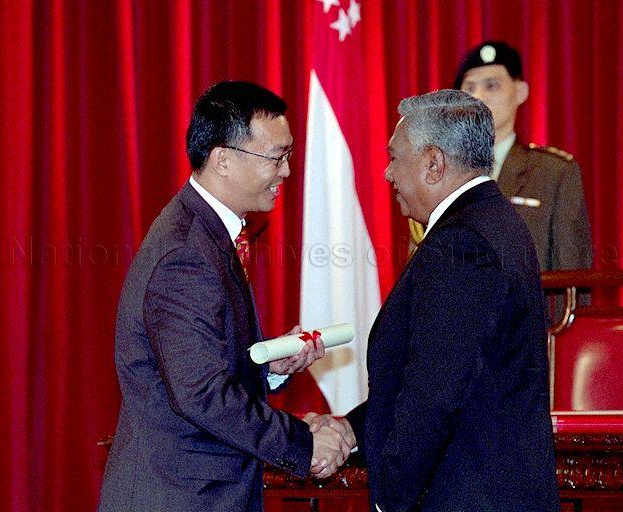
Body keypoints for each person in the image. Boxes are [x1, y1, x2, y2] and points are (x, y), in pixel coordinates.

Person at [98, 81, 353, 512]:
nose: (286, 172)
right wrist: (301, 443)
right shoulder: (186, 254)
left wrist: (269, 368)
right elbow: (201, 394)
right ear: (223, 160)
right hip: (181, 498)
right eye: (277, 157)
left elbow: (197, 367)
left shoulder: (208, 235)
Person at [311, 90, 559, 511]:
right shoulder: (494, 222)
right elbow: (457, 376)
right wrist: (353, 429)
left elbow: (436, 391)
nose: (388, 173)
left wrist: (391, 495)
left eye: (394, 157)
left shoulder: (461, 244)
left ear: (432, 163)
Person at [428, 40, 592, 272]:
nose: (479, 98)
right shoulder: (440, 174)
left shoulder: (553, 174)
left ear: (520, 91)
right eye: (470, 88)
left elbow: (572, 278)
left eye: (492, 86)